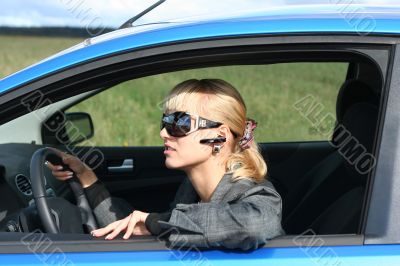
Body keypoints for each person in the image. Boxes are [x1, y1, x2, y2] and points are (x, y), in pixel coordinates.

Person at [47, 79, 284, 250]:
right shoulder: (191, 191)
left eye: (179, 123)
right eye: (166, 121)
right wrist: (87, 178)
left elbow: (256, 225)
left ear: (220, 135)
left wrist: (156, 223)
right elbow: (136, 230)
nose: (163, 132)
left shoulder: (253, 193)